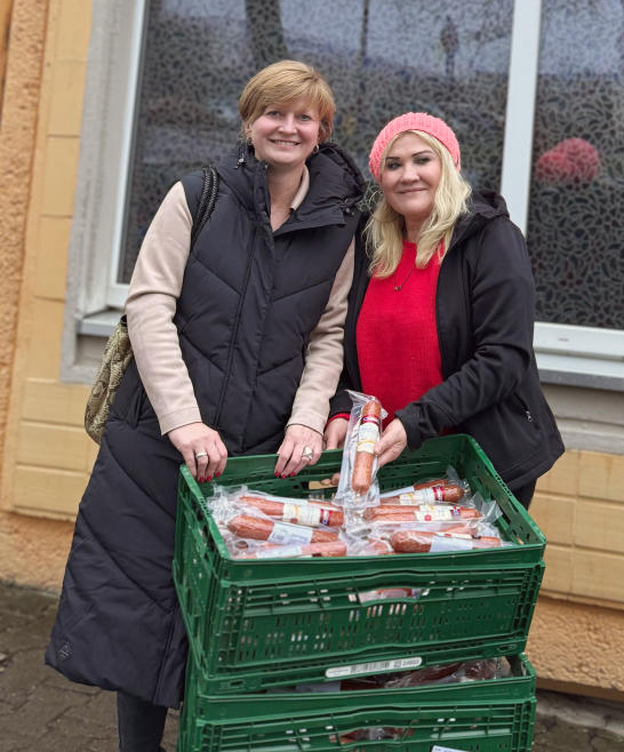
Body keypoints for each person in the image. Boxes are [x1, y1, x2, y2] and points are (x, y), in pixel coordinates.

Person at [45, 60, 364, 751]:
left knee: (225, 619)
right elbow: (149, 306)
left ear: (322, 131)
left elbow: (328, 333)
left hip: (255, 455)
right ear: (249, 121)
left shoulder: (340, 224)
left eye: (303, 116)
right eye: (272, 113)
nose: (287, 126)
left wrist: (309, 419)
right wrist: (183, 419)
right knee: (143, 608)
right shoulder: (199, 195)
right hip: (157, 446)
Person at [324, 112, 564, 505]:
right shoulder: (368, 247)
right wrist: (338, 411)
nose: (408, 175)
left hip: (474, 463)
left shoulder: (490, 240)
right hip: (382, 461)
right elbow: (340, 344)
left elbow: (503, 359)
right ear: (380, 178)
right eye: (394, 164)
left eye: (422, 159)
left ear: (450, 166)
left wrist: (415, 421)